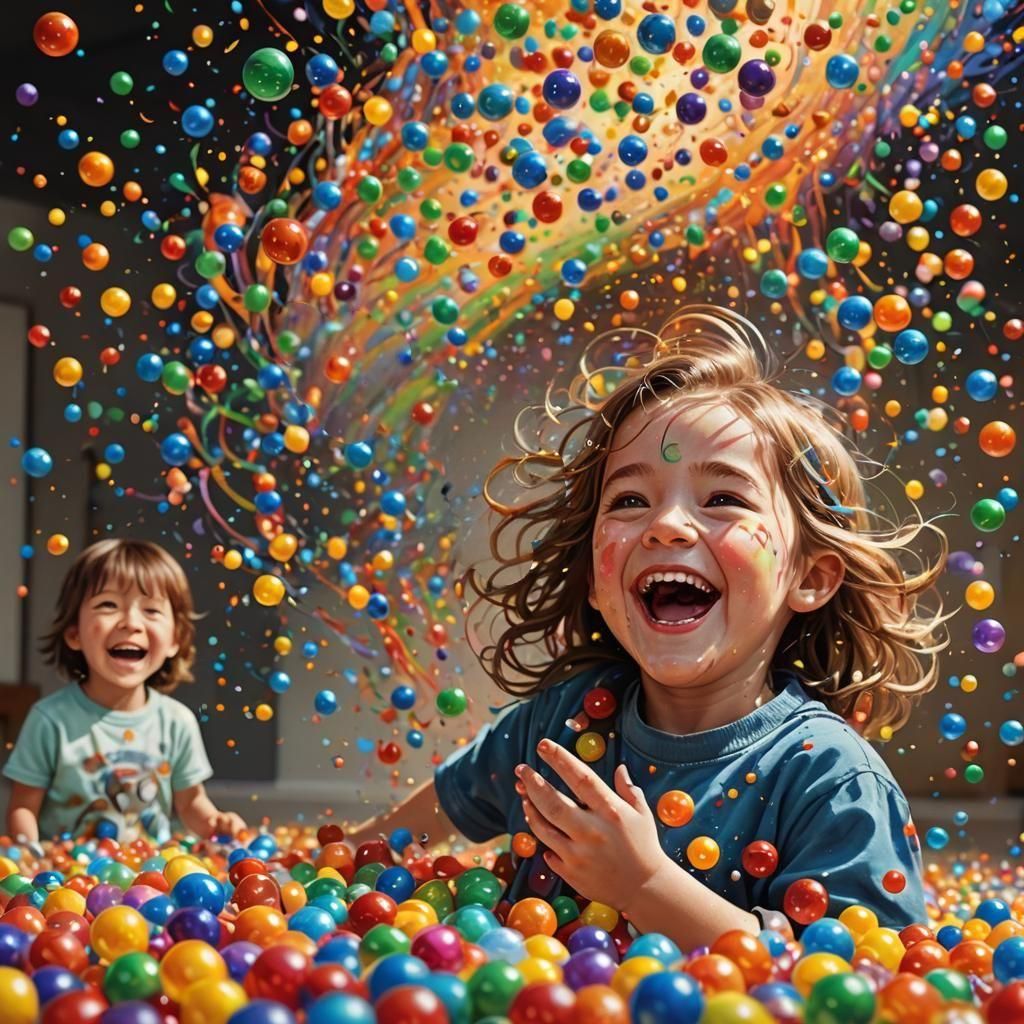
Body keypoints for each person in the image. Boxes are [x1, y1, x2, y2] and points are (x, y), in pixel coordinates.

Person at [346, 305, 950, 949]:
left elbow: (867, 982)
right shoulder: (560, 727)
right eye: (631, 500)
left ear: (811, 576)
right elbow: (378, 850)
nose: (665, 525)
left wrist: (644, 886)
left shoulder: (830, 780)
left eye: (723, 499)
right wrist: (300, 877)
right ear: (595, 578)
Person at [4, 538, 247, 843]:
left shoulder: (176, 722)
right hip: (70, 884)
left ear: (175, 639)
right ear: (74, 633)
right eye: (108, 605)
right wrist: (30, 858)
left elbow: (190, 803)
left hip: (149, 881)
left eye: (151, 610)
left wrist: (217, 824)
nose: (131, 623)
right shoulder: (50, 720)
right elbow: (23, 807)